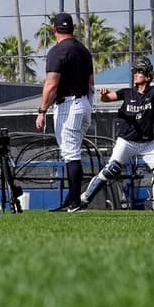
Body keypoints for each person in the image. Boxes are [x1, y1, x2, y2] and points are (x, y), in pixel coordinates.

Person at [83, 57, 154, 210]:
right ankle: (84, 199)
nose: (135, 74)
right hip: (127, 141)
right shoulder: (127, 93)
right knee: (112, 170)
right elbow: (106, 99)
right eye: (135, 72)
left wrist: (152, 72)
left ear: (147, 76)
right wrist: (104, 94)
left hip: (147, 143)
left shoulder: (153, 93)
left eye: (139, 72)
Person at [36, 12, 94, 211]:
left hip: (68, 105)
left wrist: (42, 110)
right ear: (72, 29)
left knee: (71, 154)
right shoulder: (83, 50)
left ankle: (76, 202)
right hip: (84, 102)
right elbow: (91, 83)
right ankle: (72, 199)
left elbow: (51, 84)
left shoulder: (57, 51)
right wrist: (88, 104)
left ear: (54, 30)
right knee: (73, 152)